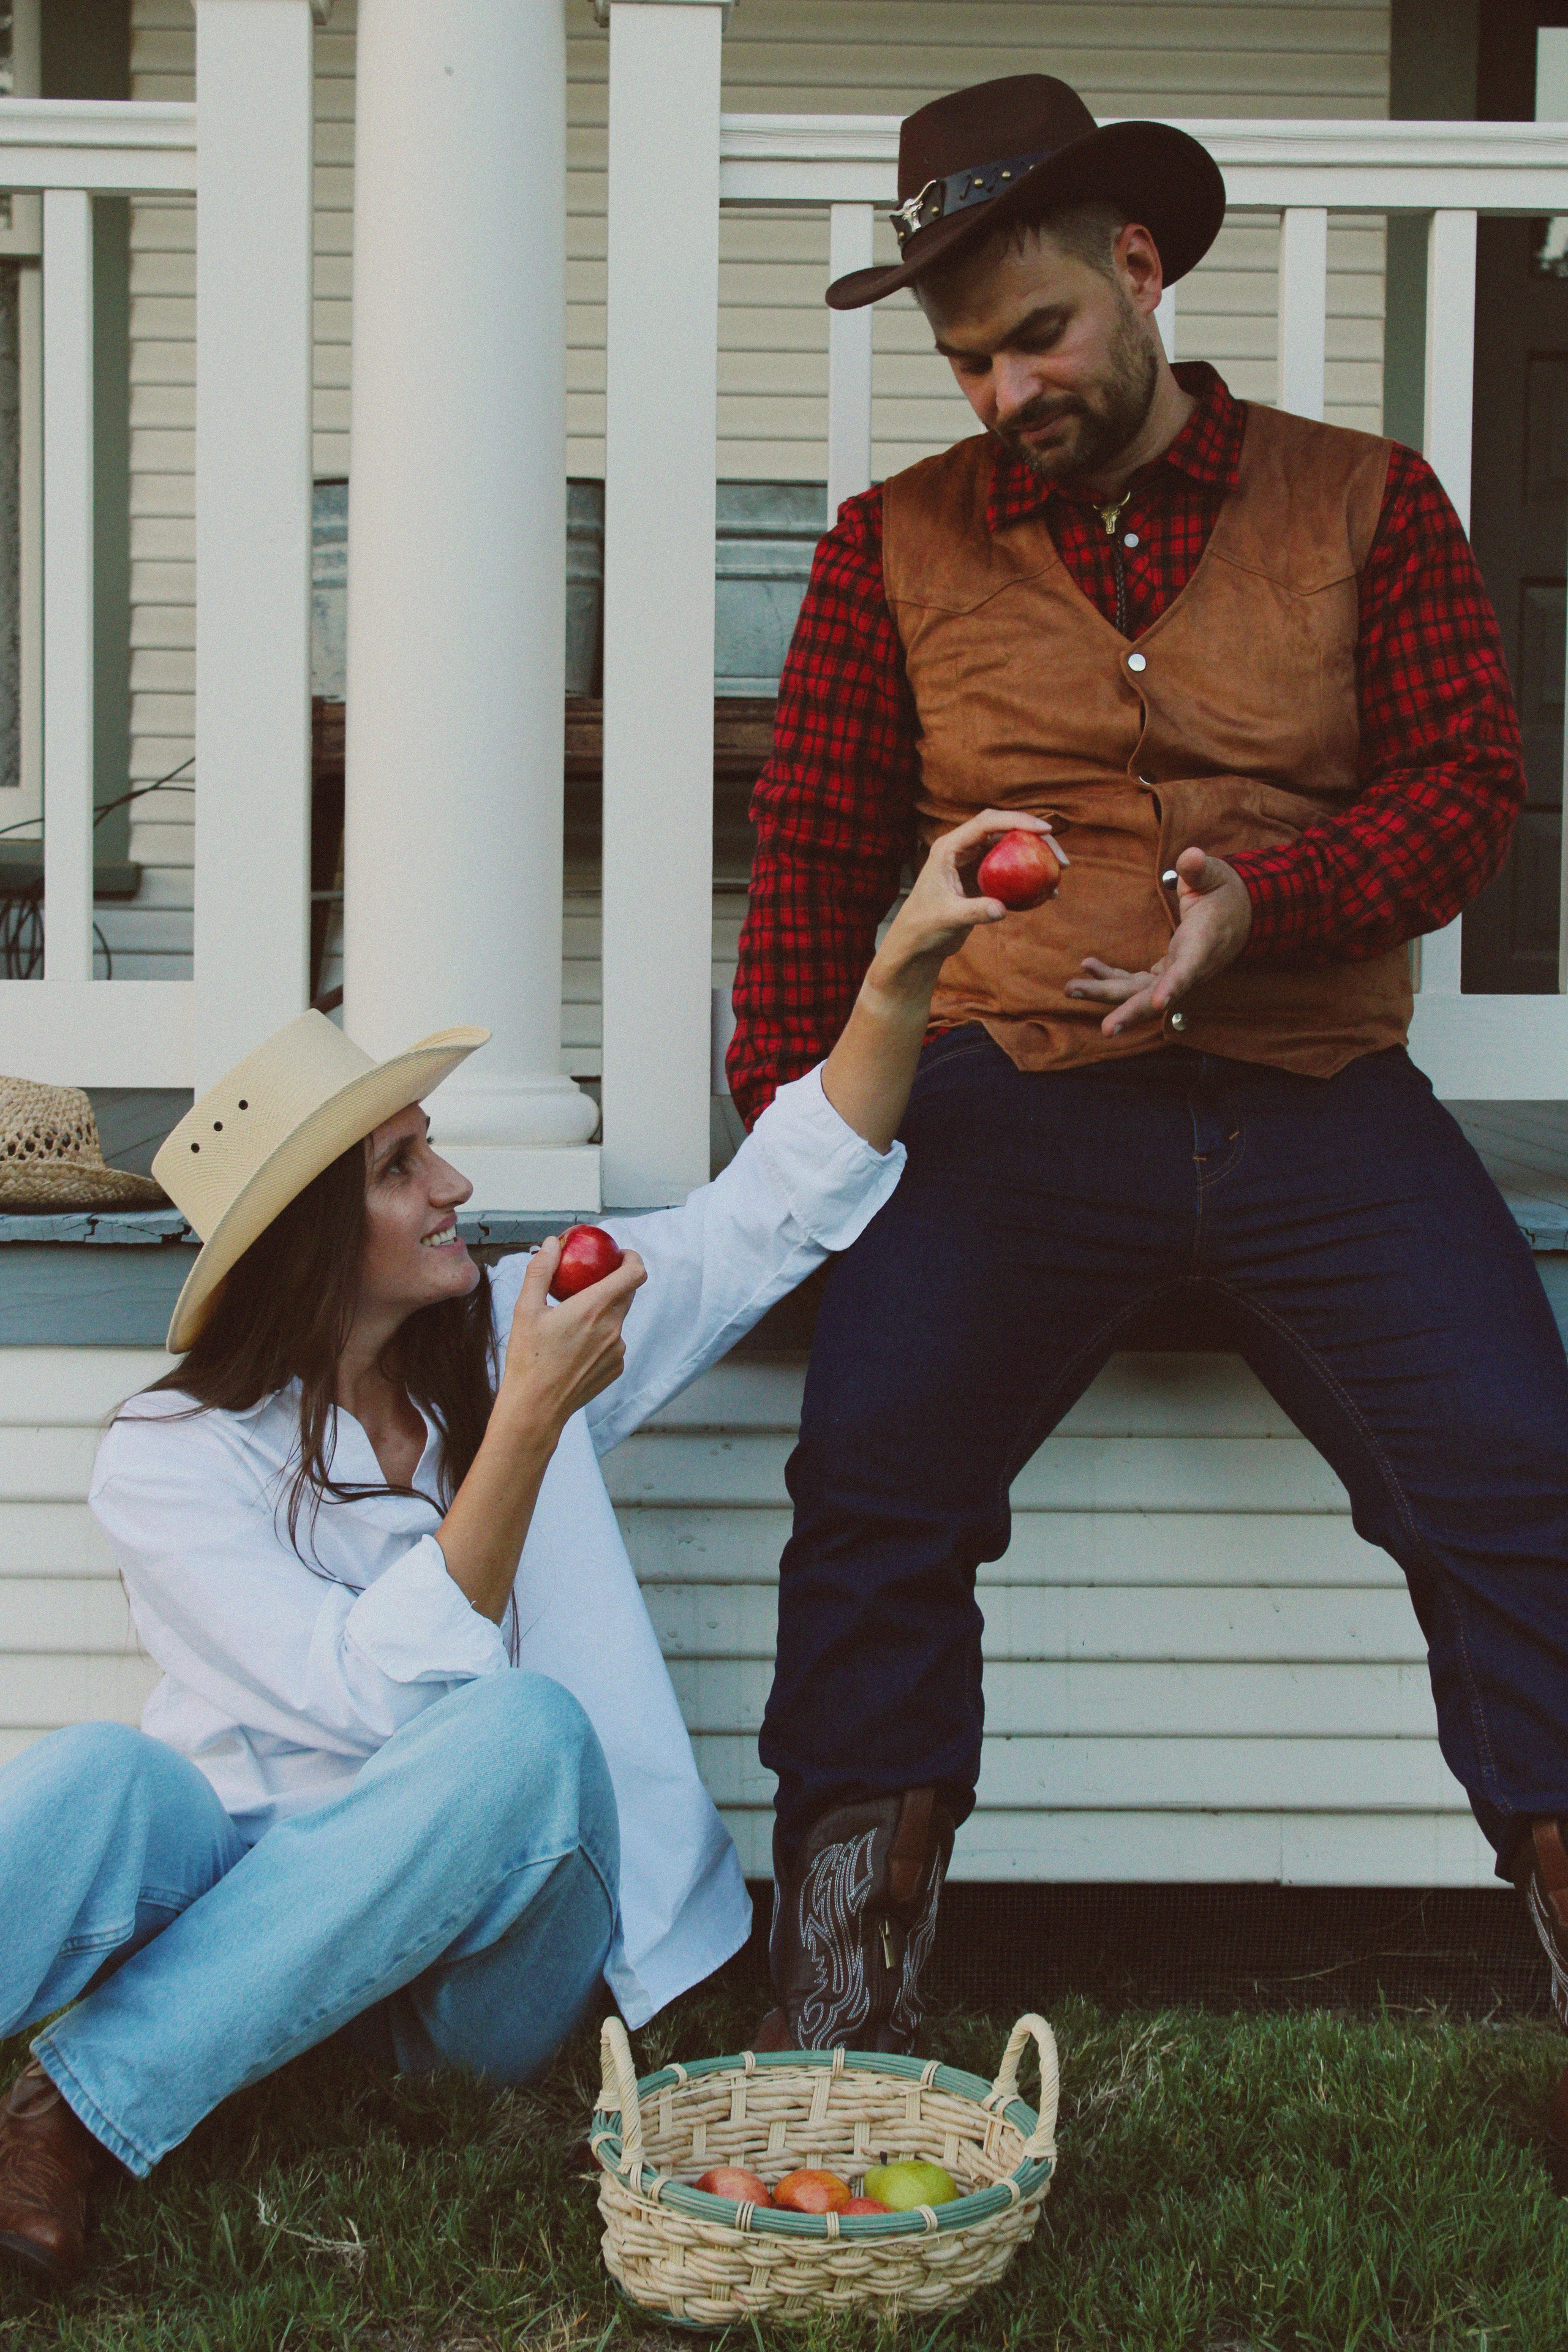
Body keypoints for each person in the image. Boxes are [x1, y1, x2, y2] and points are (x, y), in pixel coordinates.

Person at [728, 71, 1568, 2089]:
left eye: (1038, 335)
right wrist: (796, 1186)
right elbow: (812, 884)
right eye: (966, 361)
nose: (1005, 389)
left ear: (1138, 265)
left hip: (1316, 1094)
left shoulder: (1370, 500)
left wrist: (1268, 903)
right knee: (871, 1496)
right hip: (1007, 1098)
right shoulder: (885, 552)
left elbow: (1471, 795)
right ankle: (848, 2014)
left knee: (1525, 1491)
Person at [0, 803, 1052, 2290]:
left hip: (471, 1978)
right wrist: (530, 1423)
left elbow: (765, 1212)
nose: (455, 1189)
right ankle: (158, 2057)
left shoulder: (509, 1336)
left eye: (429, 1151)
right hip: (253, 1904)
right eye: (401, 1167)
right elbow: (369, 1697)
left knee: (522, 1739)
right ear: (313, 1239)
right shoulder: (169, 1461)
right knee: (105, 1777)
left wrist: (899, 972)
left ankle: (78, 2113)